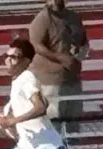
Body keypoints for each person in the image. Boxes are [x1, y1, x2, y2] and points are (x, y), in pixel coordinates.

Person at [28, 0, 88, 140]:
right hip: (50, 81)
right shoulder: (42, 19)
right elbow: (36, 46)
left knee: (74, 123)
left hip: (72, 80)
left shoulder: (73, 17)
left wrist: (80, 54)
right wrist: (61, 58)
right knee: (53, 124)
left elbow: (82, 40)